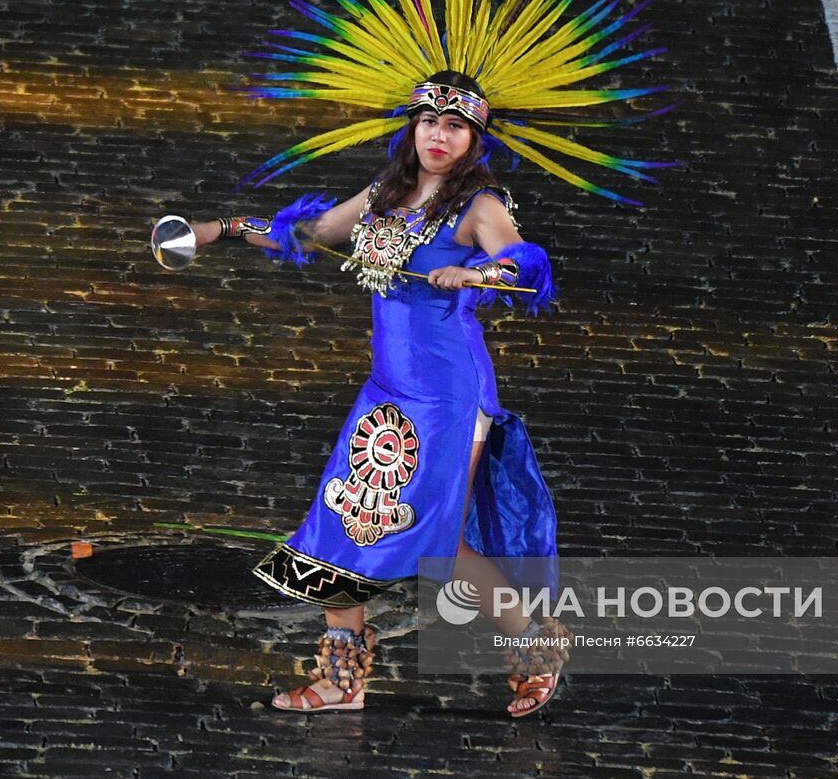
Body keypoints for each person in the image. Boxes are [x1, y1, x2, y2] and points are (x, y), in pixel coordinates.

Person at [190, 71, 568, 717]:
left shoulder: (480, 206)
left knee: (437, 543)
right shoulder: (385, 195)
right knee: (346, 515)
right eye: (429, 122)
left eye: (454, 126)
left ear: (474, 137)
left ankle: (535, 645)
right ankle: (341, 678)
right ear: (412, 127)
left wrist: (476, 270)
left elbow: (522, 260)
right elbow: (308, 235)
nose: (438, 135)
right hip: (388, 388)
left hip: (449, 394)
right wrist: (222, 228)